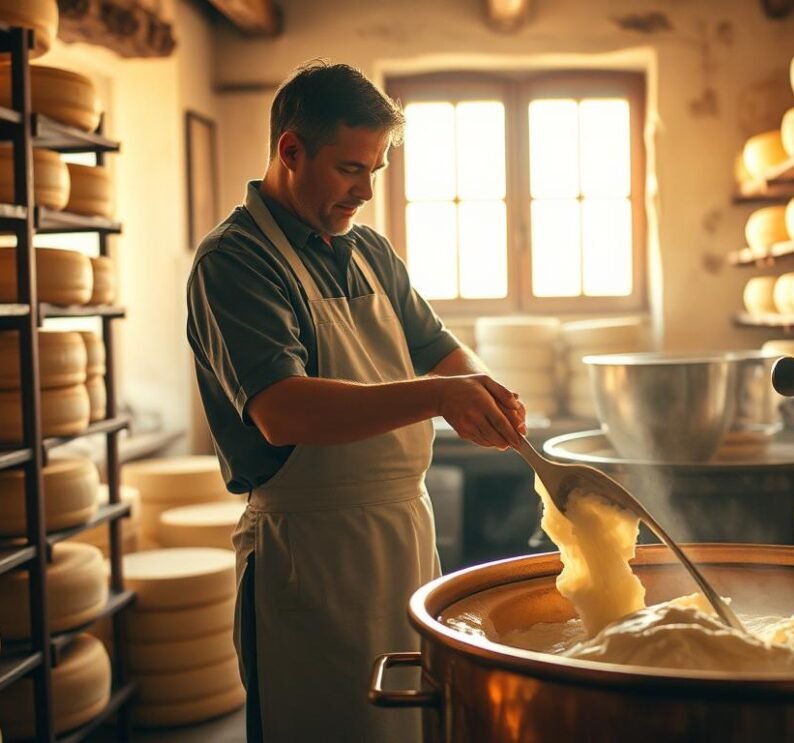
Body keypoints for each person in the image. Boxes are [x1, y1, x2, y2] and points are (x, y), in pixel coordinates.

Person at [185, 60, 527, 742]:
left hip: (402, 534)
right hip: (307, 556)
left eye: (375, 170)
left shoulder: (369, 250)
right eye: (350, 169)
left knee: (409, 722)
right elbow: (286, 410)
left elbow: (439, 348)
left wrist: (484, 389)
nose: (366, 191)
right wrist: (440, 396)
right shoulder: (236, 260)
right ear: (290, 150)